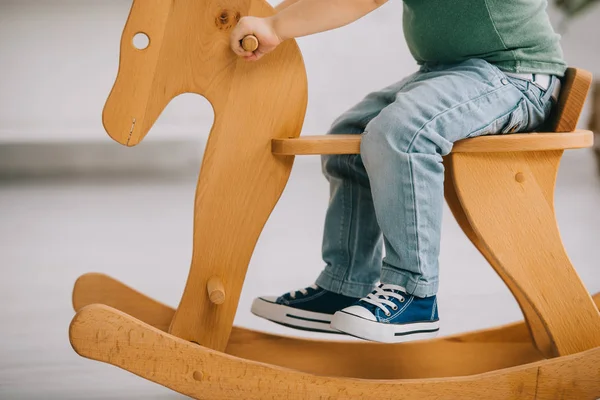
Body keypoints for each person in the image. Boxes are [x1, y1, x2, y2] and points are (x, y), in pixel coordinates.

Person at [230, 0, 565, 343]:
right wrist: (272, 18)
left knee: (402, 134)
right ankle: (346, 282)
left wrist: (276, 28)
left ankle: (414, 293)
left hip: (514, 75)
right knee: (348, 137)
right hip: (450, 73)